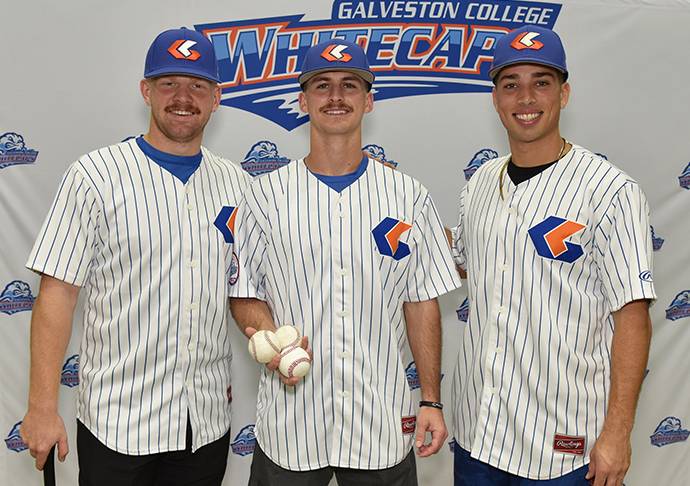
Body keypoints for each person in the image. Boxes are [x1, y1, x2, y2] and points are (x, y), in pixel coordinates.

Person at [20, 27, 250, 486]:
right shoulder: (95, 175)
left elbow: (252, 281)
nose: (183, 97)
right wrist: (42, 407)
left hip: (203, 424)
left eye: (197, 85)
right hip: (118, 424)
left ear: (216, 97)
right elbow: (57, 295)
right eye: (169, 84)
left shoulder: (236, 183)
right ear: (146, 91)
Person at [228, 39, 462, 485]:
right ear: (303, 100)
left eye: (349, 85)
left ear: (369, 100)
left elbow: (421, 302)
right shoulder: (263, 195)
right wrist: (275, 341)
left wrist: (430, 399)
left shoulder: (408, 196)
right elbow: (245, 294)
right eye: (322, 85)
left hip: (379, 421)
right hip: (291, 422)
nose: (336, 97)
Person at [449, 25, 655, 486]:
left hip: (564, 445)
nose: (526, 97)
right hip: (478, 432)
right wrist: (393, 204)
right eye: (510, 84)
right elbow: (460, 256)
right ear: (495, 99)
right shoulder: (481, 181)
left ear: (563, 94)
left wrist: (617, 434)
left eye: (540, 82)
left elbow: (633, 316)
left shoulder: (609, 190)